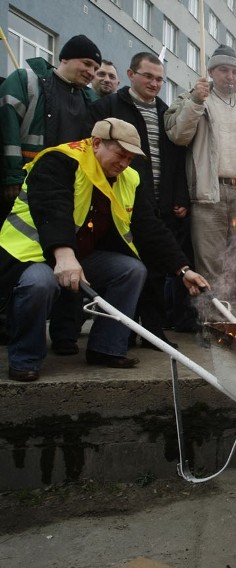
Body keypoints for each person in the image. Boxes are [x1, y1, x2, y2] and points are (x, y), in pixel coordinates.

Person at [0, 119, 208, 381]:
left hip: (81, 256)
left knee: (131, 270)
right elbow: (53, 209)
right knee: (40, 284)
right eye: (120, 155)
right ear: (97, 143)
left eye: (130, 158)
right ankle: (25, 358)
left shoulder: (129, 178)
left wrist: (183, 269)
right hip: (32, 254)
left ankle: (106, 348)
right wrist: (63, 255)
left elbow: (150, 228)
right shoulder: (60, 160)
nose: (124, 164)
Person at [0, 34, 102, 356]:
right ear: (66, 58)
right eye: (87, 63)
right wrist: (13, 174)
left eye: (96, 67)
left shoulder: (88, 100)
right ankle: (8, 329)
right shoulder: (28, 79)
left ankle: (63, 335)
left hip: (66, 194)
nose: (91, 71)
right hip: (22, 188)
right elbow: (7, 126)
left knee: (67, 259)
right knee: (20, 264)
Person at [89, 52, 191, 346]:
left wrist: (179, 195)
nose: (154, 83)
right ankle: (120, 332)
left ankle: (153, 332)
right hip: (121, 198)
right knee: (130, 267)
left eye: (159, 78)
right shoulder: (108, 107)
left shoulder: (166, 113)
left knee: (158, 268)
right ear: (131, 74)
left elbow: (177, 159)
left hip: (161, 201)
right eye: (148, 76)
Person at [165, 44, 236, 320]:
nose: (230, 76)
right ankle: (214, 322)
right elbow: (177, 135)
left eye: (235, 71)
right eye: (224, 70)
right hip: (209, 193)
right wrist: (196, 102)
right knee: (211, 265)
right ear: (211, 71)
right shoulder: (196, 98)